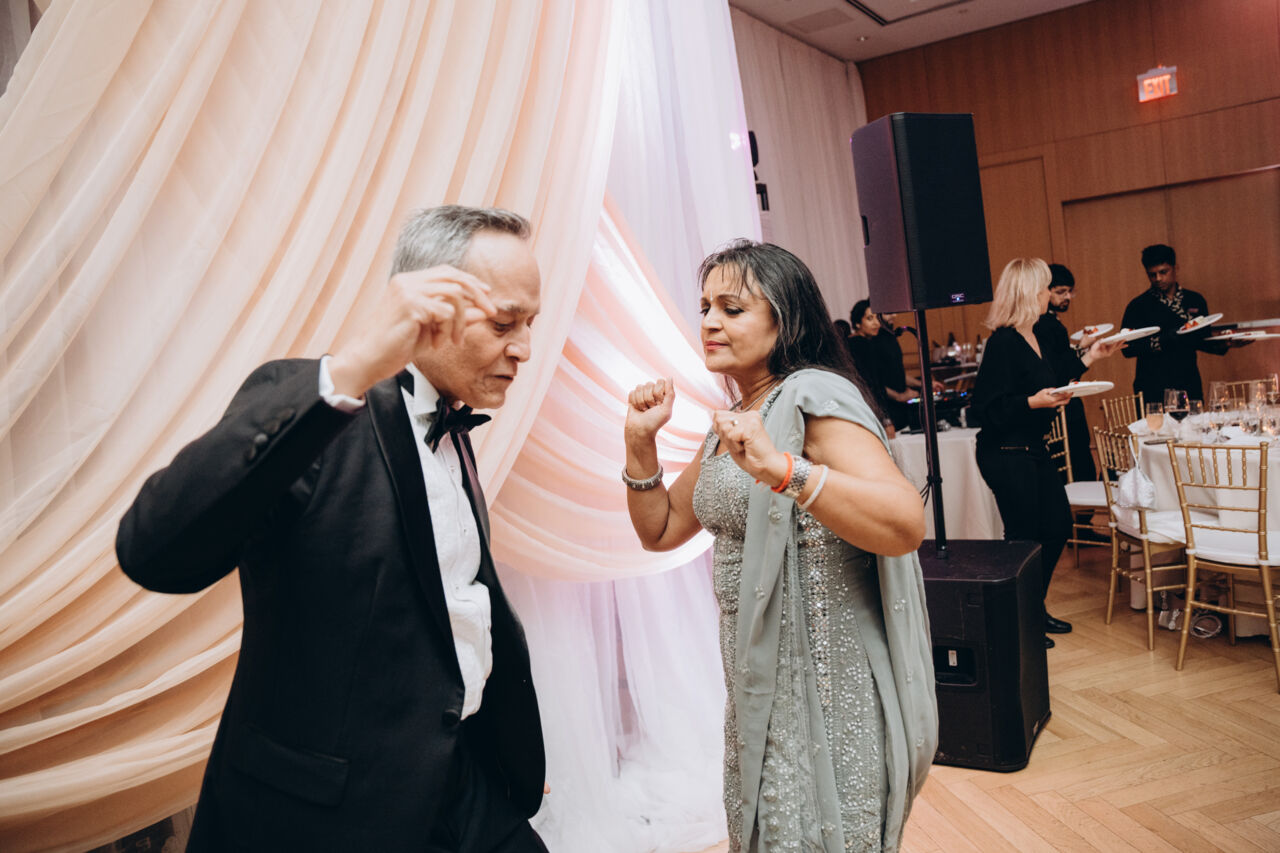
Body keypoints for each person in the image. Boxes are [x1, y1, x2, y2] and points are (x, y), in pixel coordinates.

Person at [116, 206, 549, 853]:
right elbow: (152, 549)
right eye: (504, 322)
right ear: (428, 304)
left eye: (529, 323)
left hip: (465, 787)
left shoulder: (453, 425)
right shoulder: (315, 413)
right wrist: (346, 372)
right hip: (331, 813)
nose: (524, 348)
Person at [623, 240, 937, 852]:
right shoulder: (738, 418)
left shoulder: (813, 397)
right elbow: (660, 529)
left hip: (829, 685)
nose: (710, 322)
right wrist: (640, 446)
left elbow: (904, 522)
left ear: (784, 319)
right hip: (758, 677)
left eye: (732, 308)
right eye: (706, 307)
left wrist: (784, 470)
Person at [972, 258, 1116, 649]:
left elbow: (1057, 377)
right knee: (1024, 538)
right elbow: (983, 410)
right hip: (1004, 451)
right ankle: (1020, 620)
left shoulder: (1037, 333)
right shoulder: (1003, 342)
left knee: (1056, 527)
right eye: (1044, 288)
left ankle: (1031, 606)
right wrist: (1032, 402)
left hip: (1032, 447)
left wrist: (1092, 356)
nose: (1048, 295)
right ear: (1029, 292)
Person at [1032, 263, 1114, 482]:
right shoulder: (1047, 324)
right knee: (1078, 463)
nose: (1067, 297)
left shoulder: (1047, 322)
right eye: (1061, 292)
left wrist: (1080, 348)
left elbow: (1059, 361)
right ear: (1044, 291)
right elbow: (1063, 373)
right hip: (1061, 404)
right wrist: (1088, 354)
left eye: (1070, 291)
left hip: (1058, 403)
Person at [1121, 243, 1228, 402]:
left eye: (1163, 272)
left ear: (1175, 268)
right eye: (1152, 275)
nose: (1158, 279)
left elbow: (1201, 339)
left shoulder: (1194, 299)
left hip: (1188, 381)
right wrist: (1164, 340)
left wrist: (1226, 344)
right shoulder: (1138, 306)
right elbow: (1127, 348)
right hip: (1152, 385)